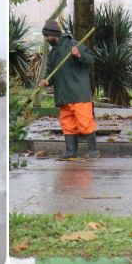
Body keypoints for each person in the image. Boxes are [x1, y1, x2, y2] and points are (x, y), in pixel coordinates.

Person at [40, 18, 97, 160]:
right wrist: (46, 81)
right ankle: (70, 152)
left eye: (47, 36)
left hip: (79, 94)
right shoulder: (53, 54)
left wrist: (79, 55)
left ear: (54, 34)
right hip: (63, 96)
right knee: (67, 124)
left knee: (85, 123)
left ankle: (94, 152)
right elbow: (50, 72)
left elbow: (91, 60)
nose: (46, 39)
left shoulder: (74, 44)